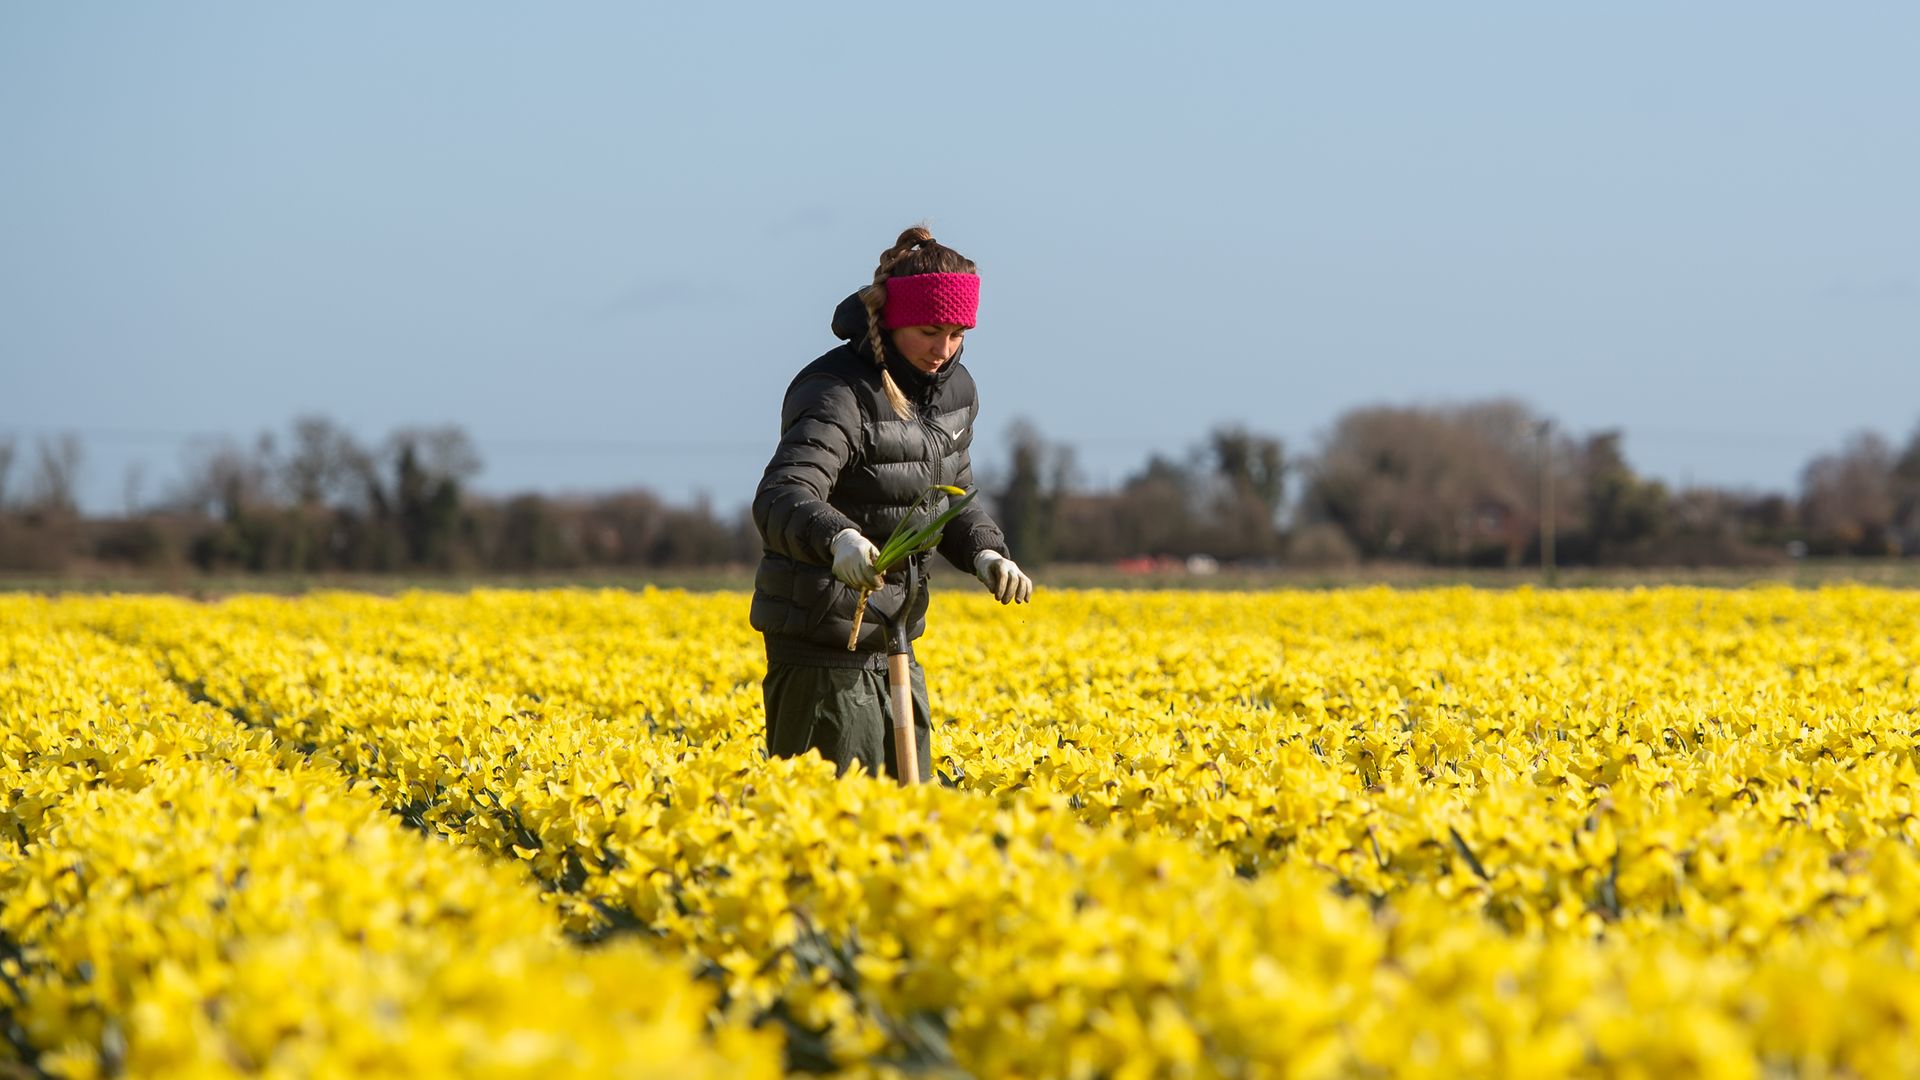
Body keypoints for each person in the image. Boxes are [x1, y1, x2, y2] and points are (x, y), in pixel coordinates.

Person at [750, 226, 1034, 782]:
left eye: (957, 333)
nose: (944, 349)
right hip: (821, 645)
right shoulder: (838, 392)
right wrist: (839, 539)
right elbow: (783, 494)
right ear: (892, 319)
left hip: (896, 639)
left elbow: (951, 498)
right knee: (835, 829)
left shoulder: (955, 392)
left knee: (909, 819)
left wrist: (985, 551)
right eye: (930, 331)